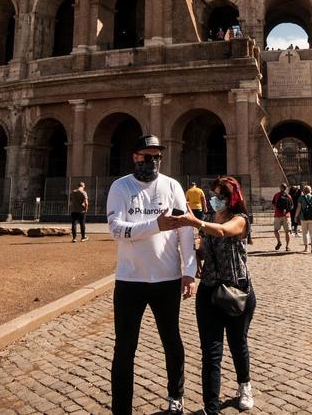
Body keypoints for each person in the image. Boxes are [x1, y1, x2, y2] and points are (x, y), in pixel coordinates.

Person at [107, 134, 196, 414]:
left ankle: (176, 396)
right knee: (124, 348)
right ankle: (121, 408)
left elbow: (185, 230)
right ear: (135, 157)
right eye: (148, 157)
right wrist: (155, 225)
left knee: (171, 340)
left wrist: (190, 271)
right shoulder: (120, 187)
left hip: (167, 278)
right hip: (129, 279)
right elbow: (116, 230)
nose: (153, 161)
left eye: (158, 157)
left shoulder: (172, 186)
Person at [173, 176, 255, 413]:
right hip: (209, 290)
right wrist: (196, 257)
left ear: (232, 198)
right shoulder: (208, 218)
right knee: (210, 352)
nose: (215, 199)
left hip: (236, 290)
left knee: (238, 343)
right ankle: (211, 408)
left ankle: (244, 386)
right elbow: (203, 247)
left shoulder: (241, 220)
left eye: (220, 196)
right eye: (214, 195)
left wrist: (194, 222)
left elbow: (221, 231)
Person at [297, 185, 312, 253]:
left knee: (305, 233)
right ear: (310, 190)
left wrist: (296, 216)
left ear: (303, 191)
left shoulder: (301, 198)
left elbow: (299, 208)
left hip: (303, 217)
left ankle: (306, 248)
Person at [270, 183, 293, 251]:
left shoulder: (276, 195)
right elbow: (291, 206)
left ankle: (279, 241)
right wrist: (286, 211)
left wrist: (278, 209)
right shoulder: (289, 196)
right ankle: (287, 246)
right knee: (287, 231)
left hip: (277, 215)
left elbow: (273, 205)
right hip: (286, 216)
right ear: (286, 188)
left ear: (280, 188)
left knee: (276, 230)